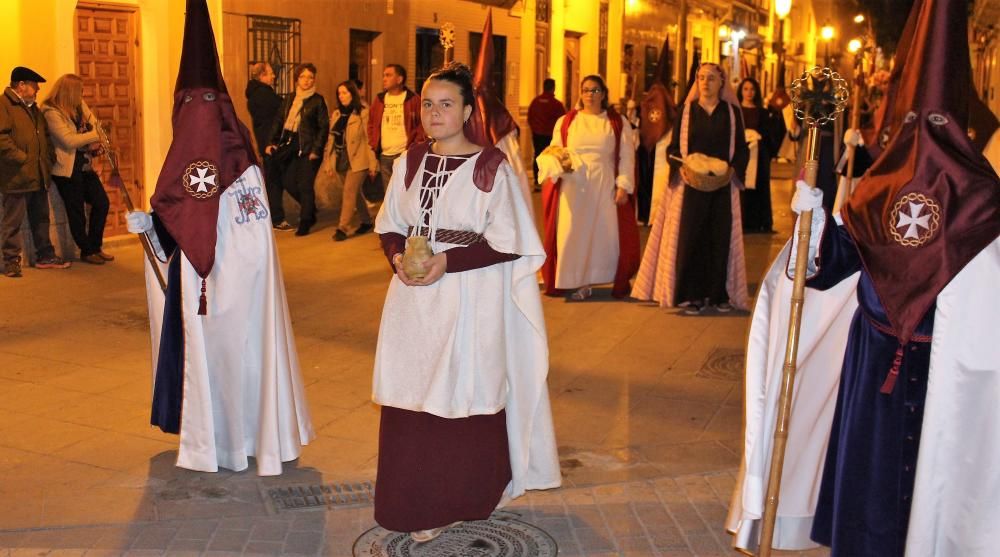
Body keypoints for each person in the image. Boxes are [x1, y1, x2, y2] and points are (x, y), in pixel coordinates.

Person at [728, 0, 1000, 554]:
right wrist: (812, 228)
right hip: (874, 360)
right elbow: (830, 269)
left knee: (936, 483)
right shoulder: (877, 190)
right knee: (871, 481)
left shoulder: (982, 198)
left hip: (948, 367)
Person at [372, 63, 560, 542]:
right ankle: (411, 499)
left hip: (468, 297)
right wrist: (397, 256)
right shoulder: (409, 161)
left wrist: (446, 264)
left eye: (446, 104)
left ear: (468, 111)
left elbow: (511, 240)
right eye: (428, 104)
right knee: (410, 392)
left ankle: (461, 498)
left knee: (463, 391)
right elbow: (391, 223)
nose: (435, 113)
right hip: (412, 302)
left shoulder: (490, 166)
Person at [125, 0, 314, 476]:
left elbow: (253, 240)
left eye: (204, 104)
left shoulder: (243, 166)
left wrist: (216, 256)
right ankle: (211, 439)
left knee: (243, 359)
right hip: (196, 289)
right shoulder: (188, 159)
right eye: (187, 105)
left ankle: (247, 438)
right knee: (204, 359)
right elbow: (176, 214)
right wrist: (152, 227)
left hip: (237, 291)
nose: (195, 116)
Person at [631, 63, 750, 312]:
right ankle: (692, 296)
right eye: (701, 78)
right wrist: (682, 169)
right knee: (691, 239)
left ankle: (718, 295)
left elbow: (740, 148)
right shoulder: (686, 112)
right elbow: (674, 149)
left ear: (722, 83)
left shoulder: (731, 113)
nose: (705, 83)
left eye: (711, 78)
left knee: (719, 239)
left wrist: (732, 171)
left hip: (721, 188)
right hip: (691, 188)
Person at [536, 75, 639, 301]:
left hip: (603, 184)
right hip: (573, 186)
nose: (589, 95)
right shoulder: (566, 121)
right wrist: (553, 163)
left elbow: (626, 157)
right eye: (585, 90)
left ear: (603, 94)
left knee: (602, 233)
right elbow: (555, 149)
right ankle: (576, 280)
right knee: (573, 232)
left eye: (594, 90)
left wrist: (623, 185)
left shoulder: (617, 122)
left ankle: (595, 277)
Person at [1, 66, 70, 277]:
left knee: (41, 218)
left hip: (38, 174)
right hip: (16, 176)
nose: (38, 89)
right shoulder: (3, 105)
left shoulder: (33, 109)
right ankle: (11, 261)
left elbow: (45, 139)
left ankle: (45, 255)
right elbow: (1, 138)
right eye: (34, 86)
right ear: (21, 85)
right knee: (12, 222)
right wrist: (22, 159)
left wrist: (48, 159)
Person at [41, 74, 113, 265]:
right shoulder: (51, 111)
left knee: (102, 203)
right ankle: (87, 250)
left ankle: (96, 246)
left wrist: (96, 135)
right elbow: (68, 140)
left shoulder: (79, 105)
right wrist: (95, 134)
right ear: (70, 91)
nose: (82, 94)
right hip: (66, 170)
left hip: (84, 165)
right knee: (76, 212)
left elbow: (96, 124)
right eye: (79, 90)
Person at [265, 63, 328, 236]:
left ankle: (306, 221)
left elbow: (324, 128)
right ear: (297, 79)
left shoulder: (318, 100)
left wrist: (317, 149)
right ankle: (310, 208)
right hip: (289, 145)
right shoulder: (290, 99)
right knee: (288, 182)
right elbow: (279, 120)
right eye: (303, 77)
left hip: (308, 148)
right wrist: (271, 141)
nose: (307, 80)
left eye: (310, 77)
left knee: (305, 185)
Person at [324, 80, 377, 241]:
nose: (341, 96)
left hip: (359, 159)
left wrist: (373, 163)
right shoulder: (337, 114)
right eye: (339, 93)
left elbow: (369, 139)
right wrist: (329, 162)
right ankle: (367, 221)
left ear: (352, 93)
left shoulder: (362, 112)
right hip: (341, 159)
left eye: (345, 92)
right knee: (355, 192)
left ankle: (343, 228)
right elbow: (331, 140)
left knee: (349, 192)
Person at [245, 62, 290, 231]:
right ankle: (277, 219)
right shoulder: (264, 94)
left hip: (266, 143)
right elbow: (283, 109)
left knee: (274, 180)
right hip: (270, 145)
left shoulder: (256, 93)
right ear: (262, 76)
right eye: (271, 73)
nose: (274, 76)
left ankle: (277, 217)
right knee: (275, 182)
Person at [737, 77, 786, 233]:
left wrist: (758, 138)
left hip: (759, 156)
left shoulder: (762, 113)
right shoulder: (736, 111)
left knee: (759, 188)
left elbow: (769, 134)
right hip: (741, 156)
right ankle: (741, 221)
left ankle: (759, 221)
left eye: (752, 89)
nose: (749, 92)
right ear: (741, 91)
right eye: (745, 89)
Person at [368, 64, 424, 194]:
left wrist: (414, 145)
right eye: (384, 75)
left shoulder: (413, 99)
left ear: (399, 79)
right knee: (389, 195)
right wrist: (373, 142)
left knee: (405, 192)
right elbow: (371, 123)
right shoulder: (379, 99)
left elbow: (422, 124)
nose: (384, 79)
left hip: (404, 154)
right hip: (384, 155)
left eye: (388, 75)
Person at [527, 78, 566, 189]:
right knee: (550, 157)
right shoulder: (557, 104)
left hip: (537, 134)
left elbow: (530, 117)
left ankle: (537, 180)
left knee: (538, 155)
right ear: (553, 88)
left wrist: (534, 129)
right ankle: (549, 180)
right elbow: (563, 120)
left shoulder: (535, 102)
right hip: (550, 135)